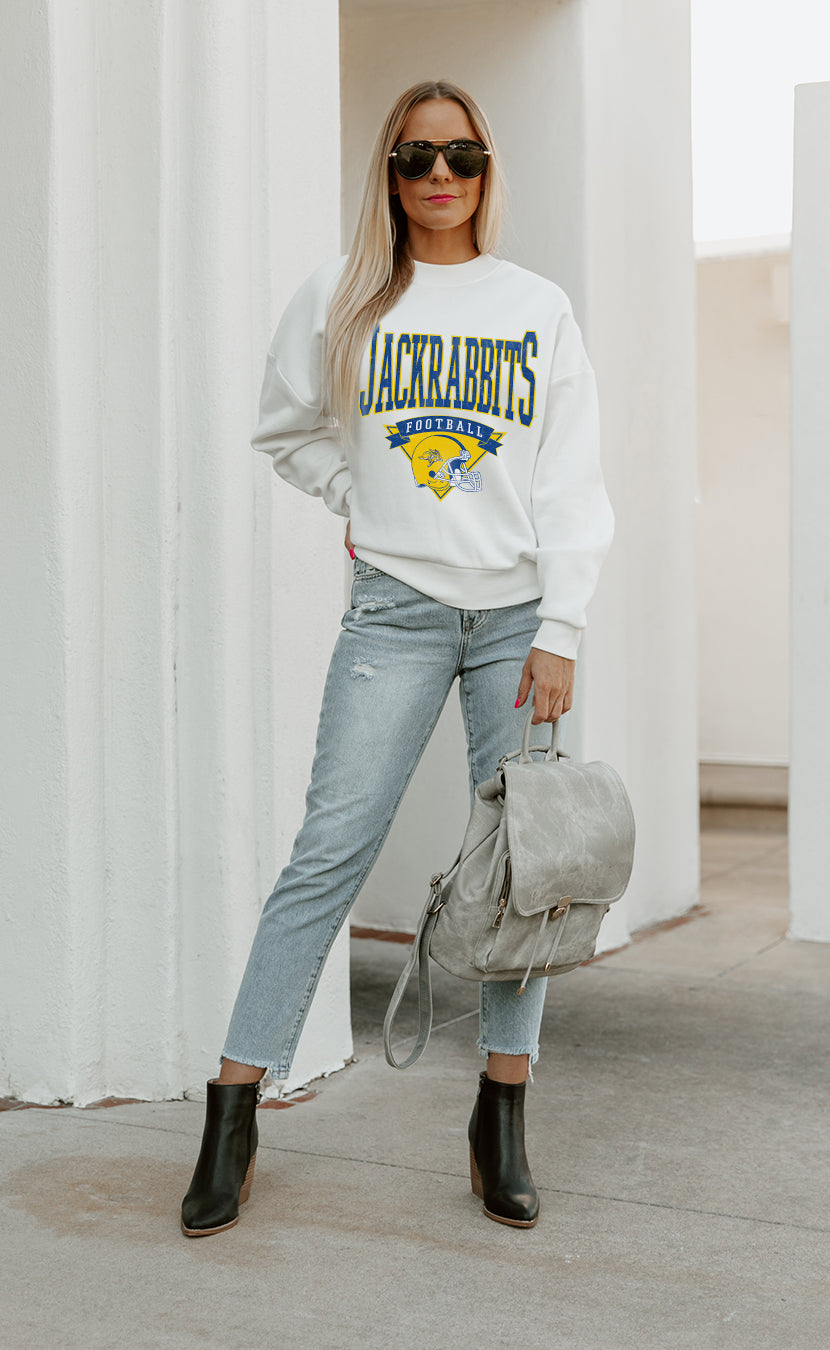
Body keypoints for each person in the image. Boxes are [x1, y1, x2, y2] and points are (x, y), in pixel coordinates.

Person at [180, 78, 615, 1238]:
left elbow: (573, 482)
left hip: (518, 620)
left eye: (461, 155)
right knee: (327, 852)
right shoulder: (345, 296)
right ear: (389, 171)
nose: (440, 176)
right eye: (417, 156)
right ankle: (233, 1109)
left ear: (486, 169)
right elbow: (285, 428)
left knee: (526, 870)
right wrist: (357, 496)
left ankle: (501, 1114)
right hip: (396, 610)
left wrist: (563, 629)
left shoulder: (536, 306)